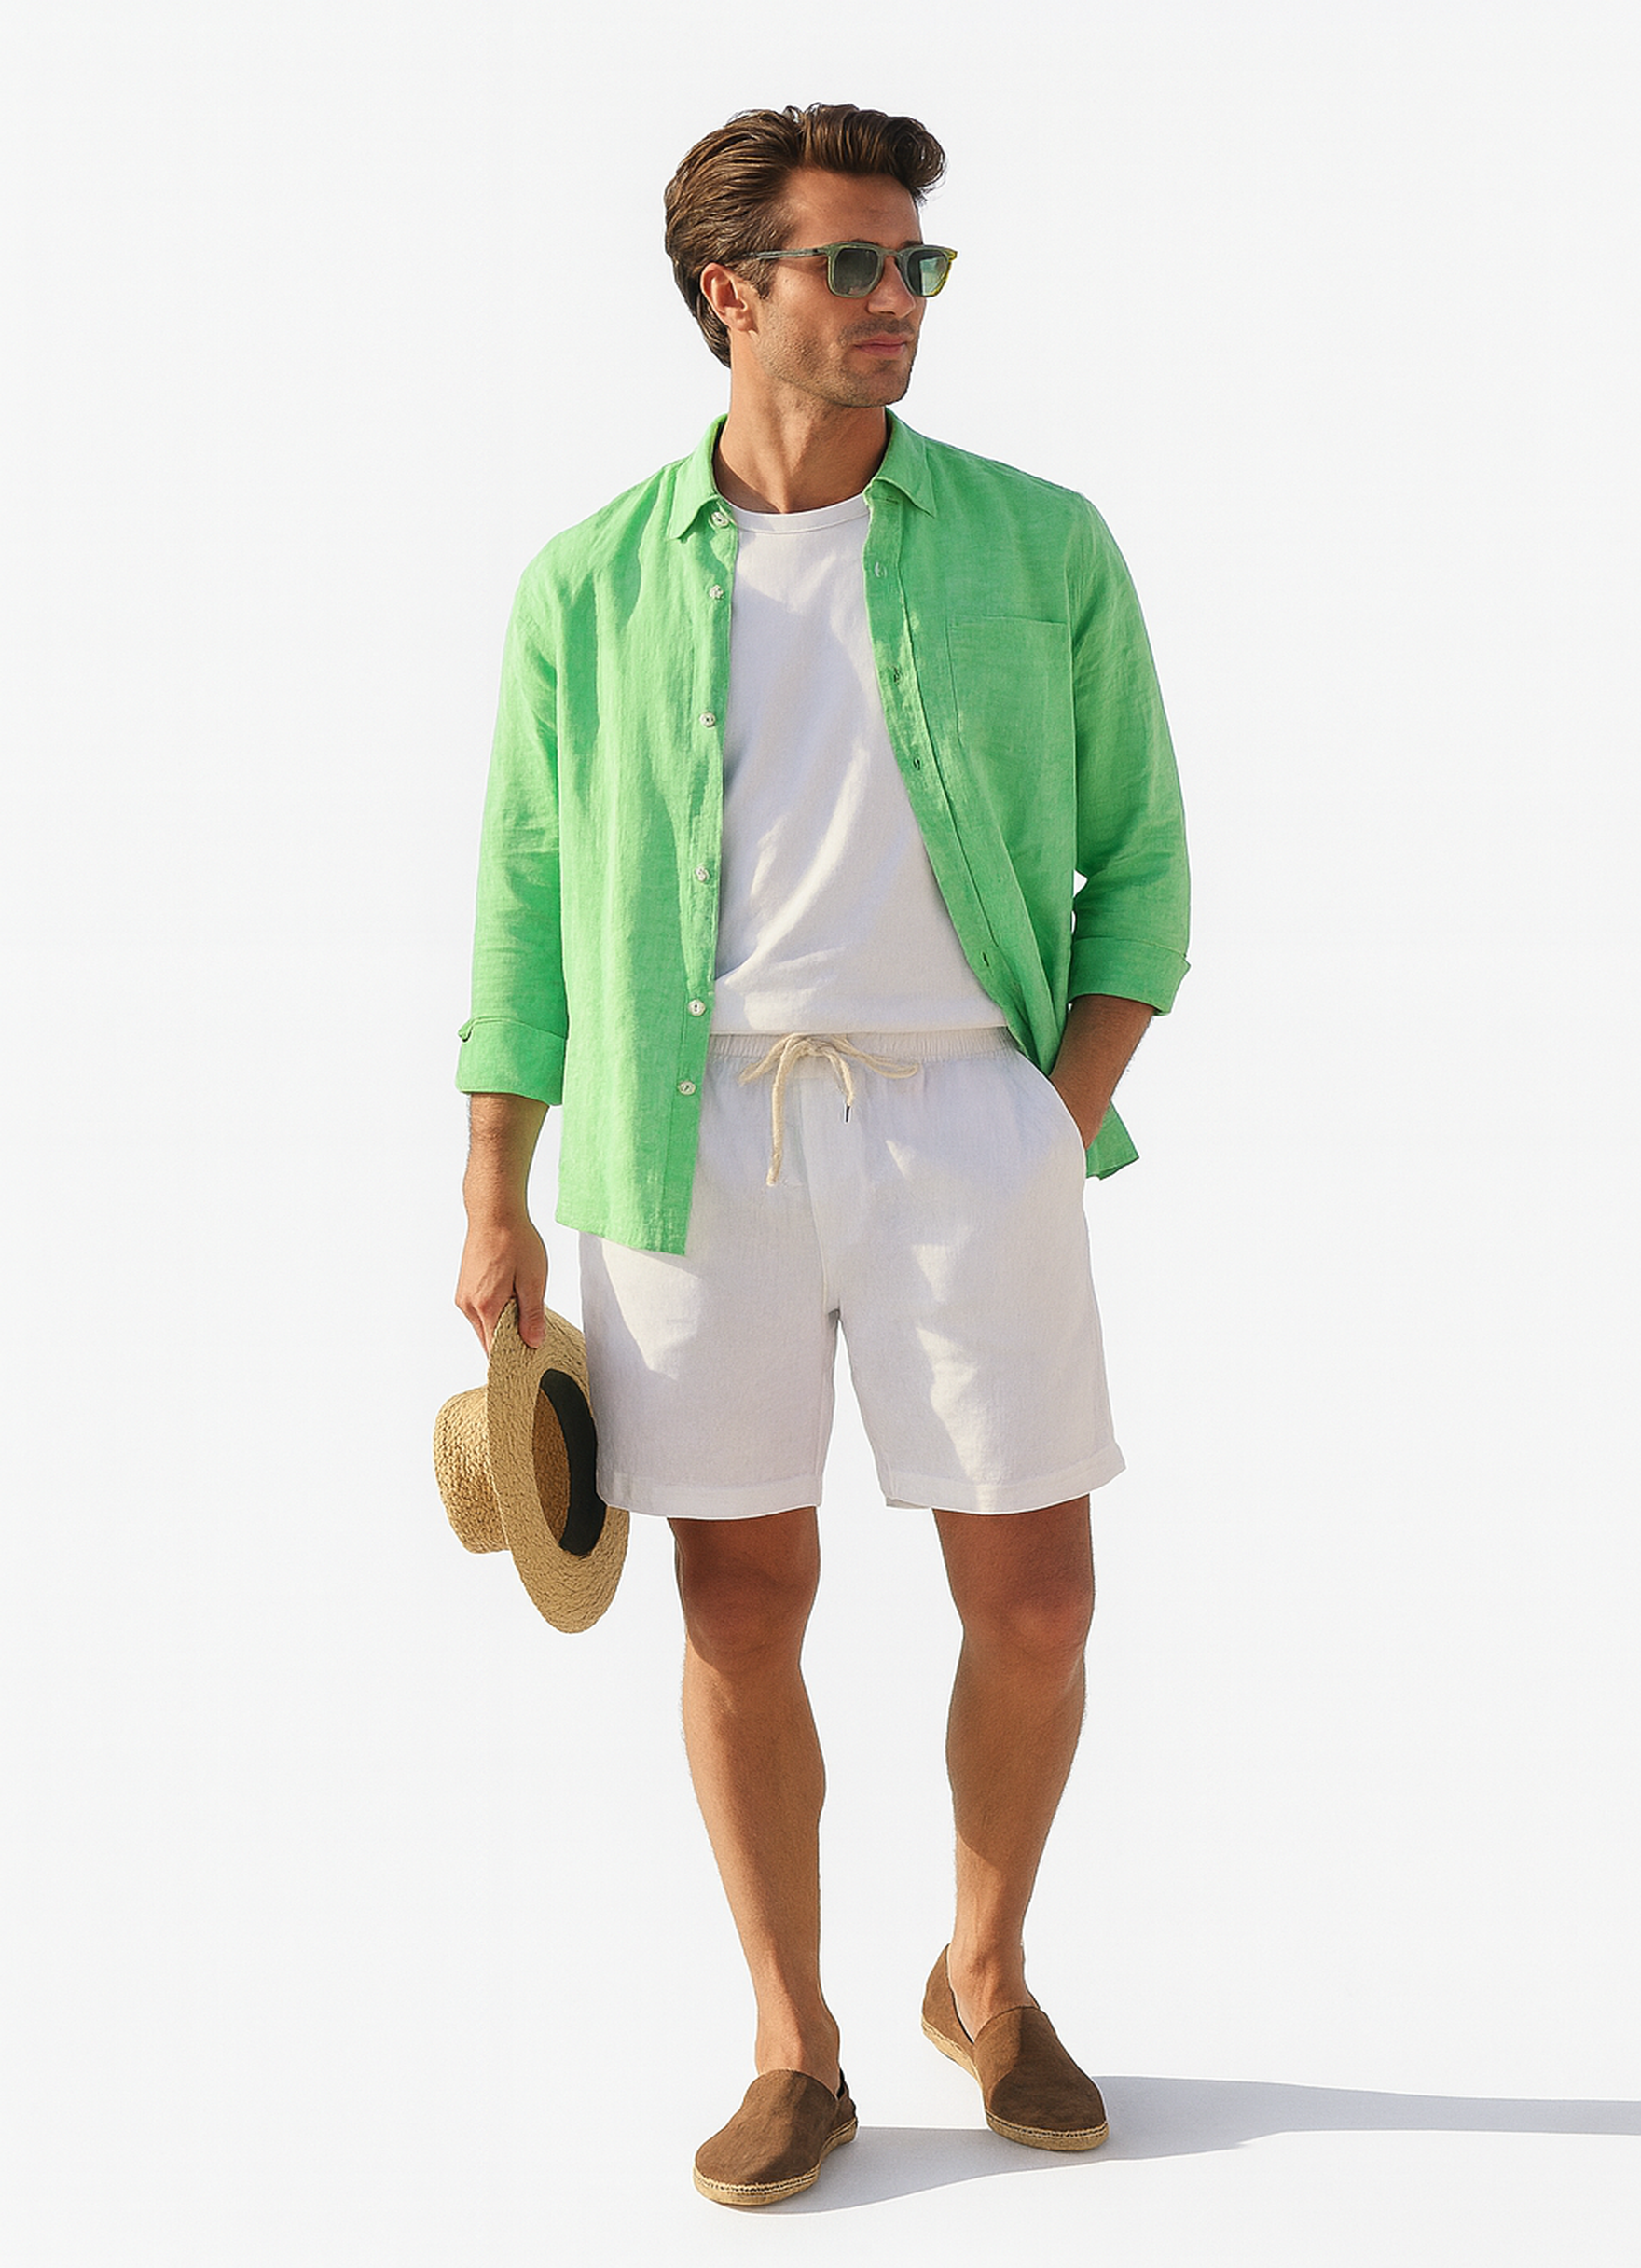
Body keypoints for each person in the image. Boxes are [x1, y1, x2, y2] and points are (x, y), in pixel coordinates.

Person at [453, 102, 1189, 2206]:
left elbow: (1141, 871)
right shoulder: (589, 581)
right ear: (732, 292)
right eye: (850, 263)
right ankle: (793, 2040)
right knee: (737, 1599)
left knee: (1034, 1597)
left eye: (912, 264)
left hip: (967, 1117)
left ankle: (985, 1971)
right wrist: (494, 1188)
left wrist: (1041, 1121)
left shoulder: (1039, 544)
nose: (895, 301)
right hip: (691, 1137)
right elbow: (521, 904)